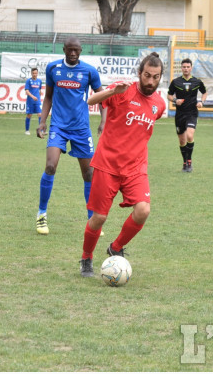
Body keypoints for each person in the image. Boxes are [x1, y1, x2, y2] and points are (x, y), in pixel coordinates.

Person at [78, 52, 166, 277]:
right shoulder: (122, 89)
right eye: (147, 75)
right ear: (139, 73)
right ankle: (86, 258)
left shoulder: (159, 105)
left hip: (136, 168)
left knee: (143, 210)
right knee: (99, 217)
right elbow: (90, 101)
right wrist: (112, 91)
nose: (150, 81)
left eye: (155, 77)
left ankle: (115, 248)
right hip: (107, 164)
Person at [34, 36, 105, 235]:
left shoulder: (89, 71)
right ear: (64, 49)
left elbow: (102, 98)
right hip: (58, 126)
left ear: (81, 51)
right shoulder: (53, 69)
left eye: (76, 50)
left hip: (81, 129)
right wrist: (42, 121)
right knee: (50, 165)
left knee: (89, 174)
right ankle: (41, 215)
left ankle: (92, 219)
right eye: (69, 50)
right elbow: (48, 96)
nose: (73, 53)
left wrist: (103, 121)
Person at [167, 58, 207, 172]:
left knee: (190, 136)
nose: (186, 69)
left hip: (192, 113)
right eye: (184, 67)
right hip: (180, 114)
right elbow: (169, 95)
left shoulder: (197, 81)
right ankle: (185, 162)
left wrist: (201, 102)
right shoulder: (176, 82)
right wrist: (175, 100)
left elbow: (204, 92)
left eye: (188, 67)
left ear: (191, 67)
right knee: (182, 141)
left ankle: (189, 161)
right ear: (181, 68)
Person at [24, 67, 42, 135]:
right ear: (31, 73)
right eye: (33, 73)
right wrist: (32, 97)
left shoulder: (39, 81)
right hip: (30, 101)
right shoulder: (28, 81)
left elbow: (39, 90)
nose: (35, 74)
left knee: (40, 114)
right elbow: (27, 91)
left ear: (37, 73)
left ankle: (40, 130)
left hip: (37, 101)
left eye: (36, 73)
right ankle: (27, 130)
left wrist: (39, 97)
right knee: (29, 115)